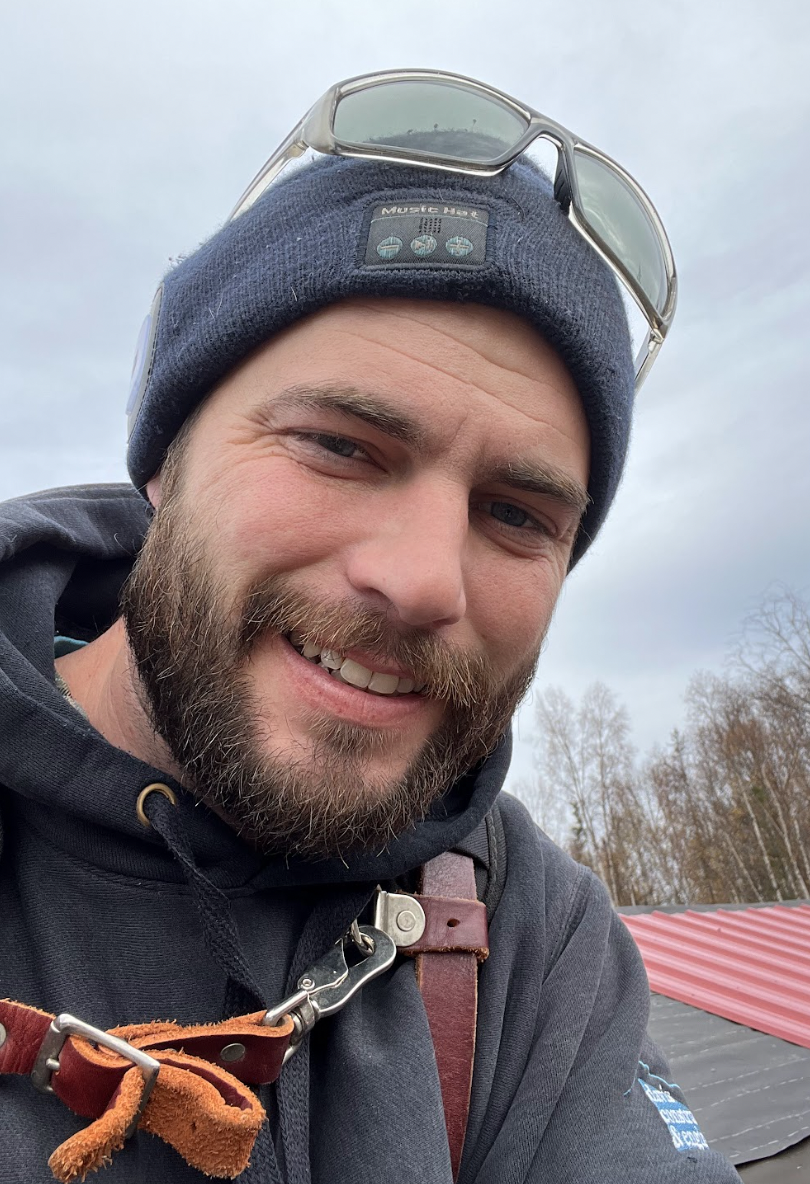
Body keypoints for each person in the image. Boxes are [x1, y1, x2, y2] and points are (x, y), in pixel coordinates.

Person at [0, 70, 738, 1183]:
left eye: (516, 514)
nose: (423, 579)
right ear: (163, 460)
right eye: (340, 445)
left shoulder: (531, 941)